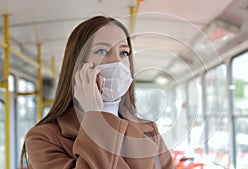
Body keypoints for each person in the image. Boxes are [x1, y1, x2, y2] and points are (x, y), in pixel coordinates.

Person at [20, 16, 174, 169]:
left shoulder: (149, 131)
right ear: (79, 65)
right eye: (102, 51)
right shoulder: (43, 138)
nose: (117, 61)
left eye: (124, 53)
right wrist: (96, 116)